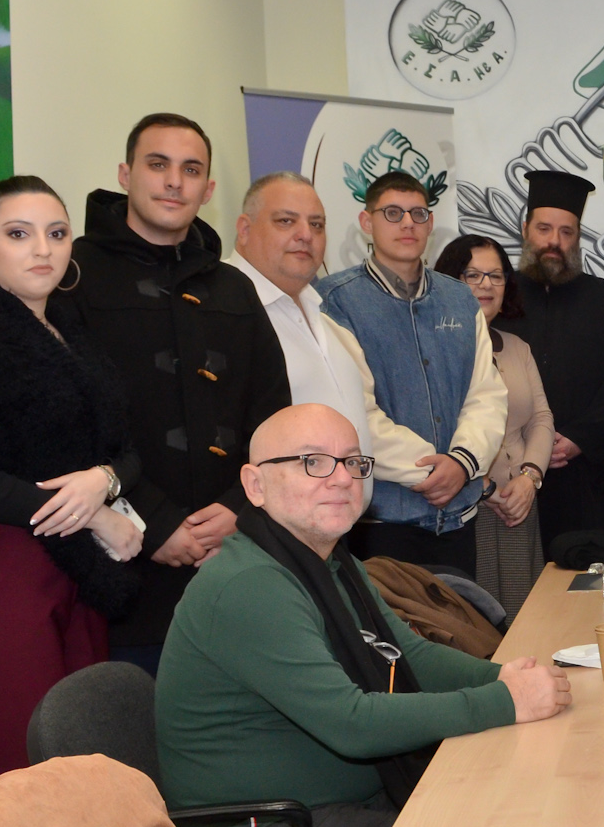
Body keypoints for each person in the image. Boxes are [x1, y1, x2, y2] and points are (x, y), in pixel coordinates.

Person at [156, 404, 571, 827]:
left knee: (515, 802)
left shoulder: (329, 561)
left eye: (353, 462)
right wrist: (505, 701)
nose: (341, 479)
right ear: (255, 485)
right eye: (313, 462)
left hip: (337, 804)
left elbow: (407, 655)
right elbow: (352, 724)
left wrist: (503, 678)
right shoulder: (248, 585)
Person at [0, 178, 145, 802]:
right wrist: (95, 515)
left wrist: (104, 480)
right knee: (21, 785)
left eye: (56, 233)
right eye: (19, 234)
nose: (43, 249)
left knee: (93, 779)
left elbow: (127, 451)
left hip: (79, 579)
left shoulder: (74, 336)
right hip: (6, 579)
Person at [71, 113, 292, 673]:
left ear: (208, 189)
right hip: (122, 566)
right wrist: (153, 521)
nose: (174, 181)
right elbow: (66, 421)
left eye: (191, 170)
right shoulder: (74, 276)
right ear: (125, 174)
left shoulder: (235, 288)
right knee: (133, 719)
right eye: (158, 164)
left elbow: (275, 420)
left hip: (233, 561)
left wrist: (239, 509)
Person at [317, 172, 507, 578]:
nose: (408, 223)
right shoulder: (336, 301)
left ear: (431, 223)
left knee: (461, 618)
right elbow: (354, 413)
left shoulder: (460, 299)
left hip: (458, 518)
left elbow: (486, 395)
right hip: (381, 522)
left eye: (418, 214)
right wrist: (434, 471)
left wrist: (462, 463)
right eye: (393, 213)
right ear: (366, 222)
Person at [496, 170, 604, 551]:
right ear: (525, 230)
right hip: (513, 477)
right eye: (544, 229)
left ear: (578, 237)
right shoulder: (500, 298)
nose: (554, 242)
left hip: (590, 476)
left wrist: (578, 439)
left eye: (566, 232)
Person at [434, 234, 554, 619]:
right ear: (449, 282)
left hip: (520, 505)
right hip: (467, 507)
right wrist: (483, 487)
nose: (486, 285)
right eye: (472, 275)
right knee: (478, 624)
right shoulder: (433, 350)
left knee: (525, 622)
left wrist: (530, 478)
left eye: (496, 275)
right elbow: (433, 429)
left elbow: (541, 419)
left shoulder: (517, 347)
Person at [227, 172, 371, 455]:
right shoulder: (216, 309)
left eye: (317, 225)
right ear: (244, 229)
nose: (306, 235)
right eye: (286, 221)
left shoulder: (328, 320)